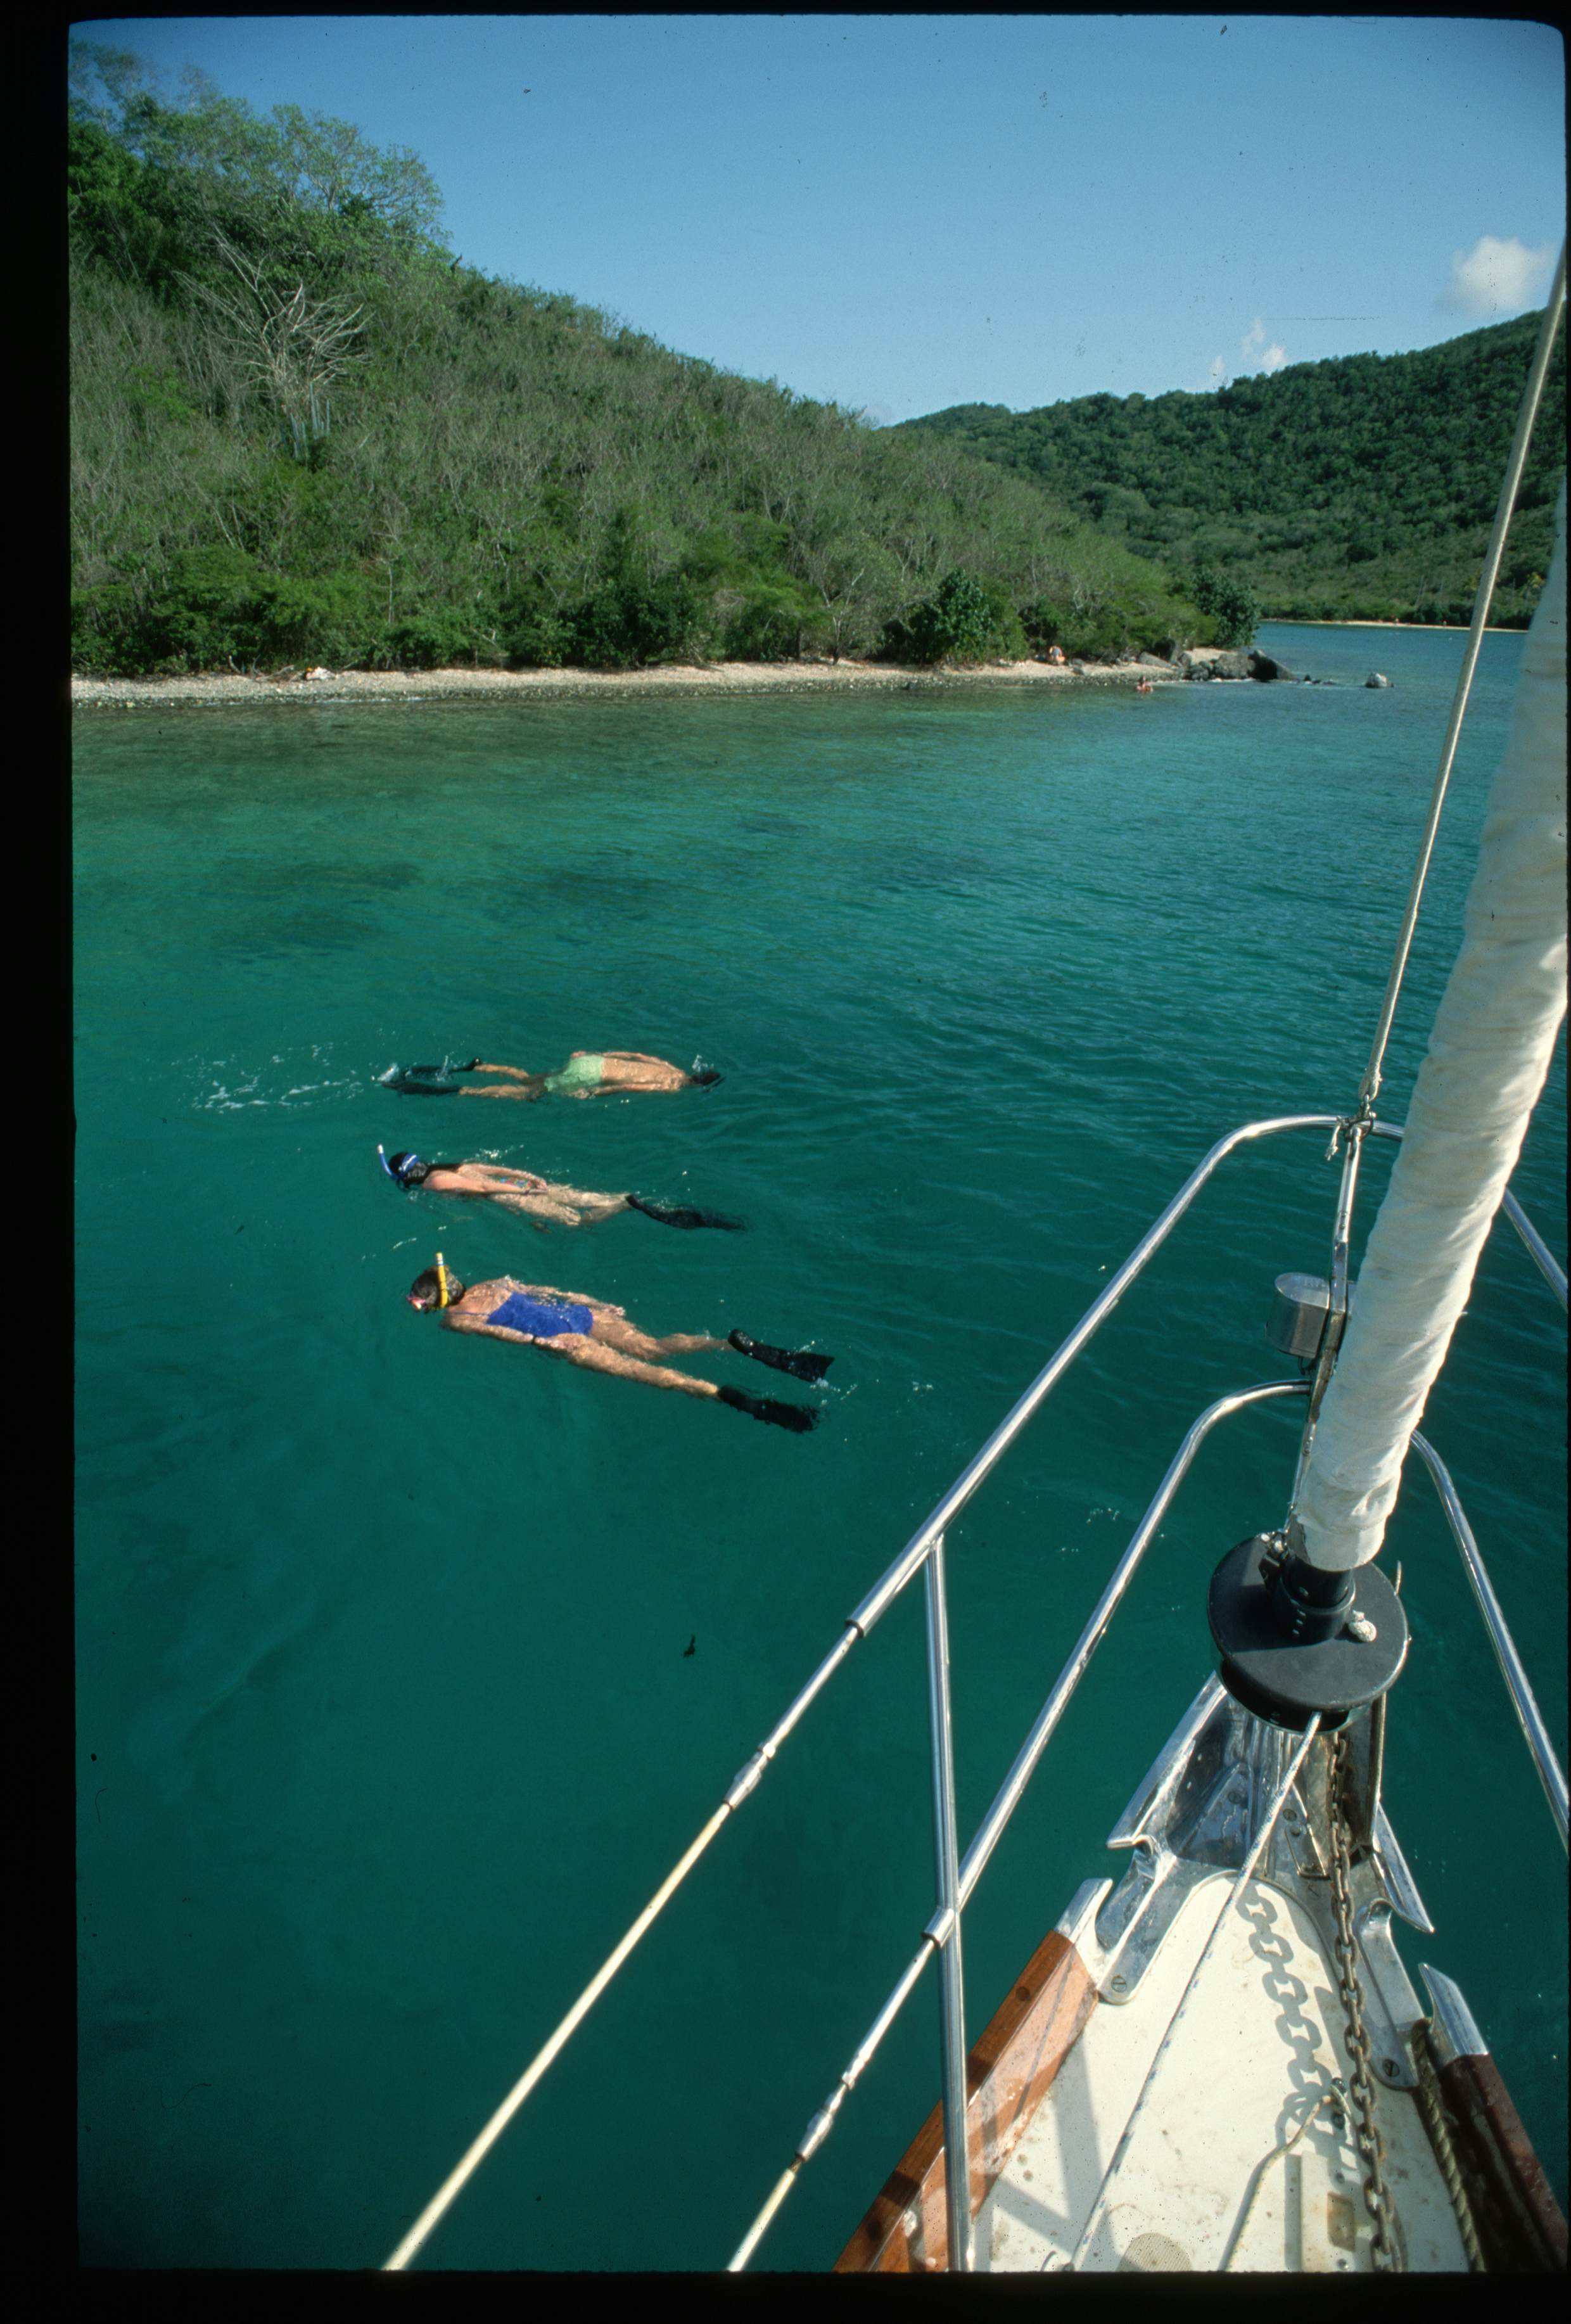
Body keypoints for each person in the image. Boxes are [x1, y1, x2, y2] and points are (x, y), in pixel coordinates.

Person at [404, 1260, 830, 1431]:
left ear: (438, 1300)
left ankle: (722, 1394)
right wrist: (594, 1303)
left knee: (649, 1375)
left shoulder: (456, 1321)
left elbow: (502, 1333)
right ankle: (728, 1344)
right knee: (655, 1347)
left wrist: (546, 1343)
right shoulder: (490, 1282)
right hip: (579, 1315)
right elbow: (545, 1290)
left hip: (565, 1338)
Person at [378, 1147, 744, 1231]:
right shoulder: (446, 1164)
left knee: (574, 1224)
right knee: (585, 1199)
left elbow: (482, 1186)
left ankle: (628, 1205)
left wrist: (522, 1198)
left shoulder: (436, 1181)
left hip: (509, 1192)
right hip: (517, 1181)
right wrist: (527, 1178)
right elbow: (489, 1168)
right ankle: (623, 1200)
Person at [379, 1052, 721, 1101]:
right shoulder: (674, 1085)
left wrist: (595, 1052)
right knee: (525, 1094)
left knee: (528, 1078)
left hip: (589, 1061)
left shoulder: (674, 1068)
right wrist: (595, 1094)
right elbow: (629, 1085)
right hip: (588, 1078)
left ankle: (468, 1066)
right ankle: (416, 1087)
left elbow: (638, 1056)